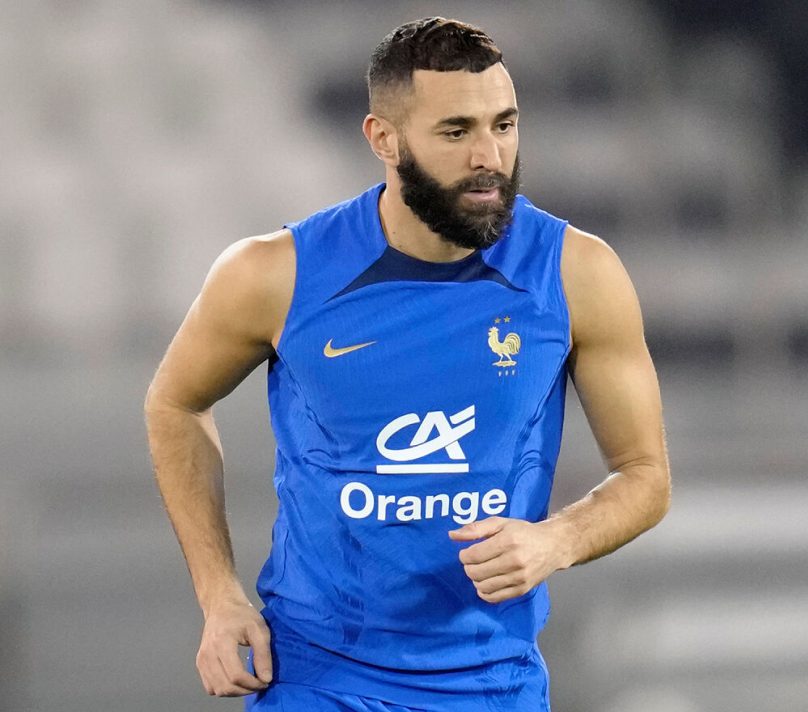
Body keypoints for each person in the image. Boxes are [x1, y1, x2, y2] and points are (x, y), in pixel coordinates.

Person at [144, 16, 670, 712]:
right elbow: (175, 403)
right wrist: (218, 595)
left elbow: (645, 475)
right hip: (318, 678)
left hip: (493, 685)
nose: (489, 155)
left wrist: (557, 541)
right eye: (456, 132)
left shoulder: (576, 273)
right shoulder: (275, 274)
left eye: (504, 125)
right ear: (383, 139)